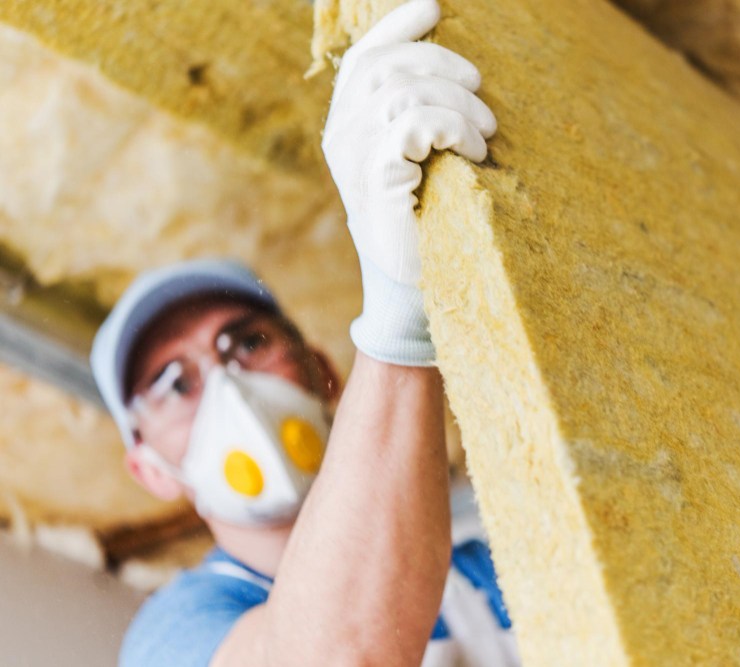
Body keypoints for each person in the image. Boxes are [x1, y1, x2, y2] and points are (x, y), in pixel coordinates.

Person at [90, 1, 517, 665]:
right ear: (151, 469)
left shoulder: (487, 578)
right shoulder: (174, 632)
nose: (228, 385)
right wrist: (401, 318)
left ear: (324, 373)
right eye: (174, 383)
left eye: (248, 342)